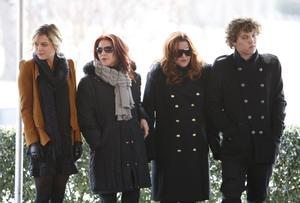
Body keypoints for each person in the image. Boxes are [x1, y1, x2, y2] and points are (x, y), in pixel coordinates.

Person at [206, 17, 287, 203]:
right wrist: (229, 131)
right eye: (245, 37)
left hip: (264, 144)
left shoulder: (271, 64)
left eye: (253, 35)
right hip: (235, 146)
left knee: (258, 197)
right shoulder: (222, 66)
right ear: (233, 41)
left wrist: (275, 137)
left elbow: (279, 102)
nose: (251, 40)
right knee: (231, 197)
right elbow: (213, 106)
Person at [142, 31, 220, 203]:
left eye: (187, 52)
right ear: (170, 54)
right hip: (167, 148)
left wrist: (216, 145)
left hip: (195, 145)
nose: (184, 56)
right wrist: (149, 150)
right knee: (167, 197)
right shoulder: (158, 73)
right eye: (179, 53)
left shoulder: (204, 72)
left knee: (191, 198)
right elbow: (147, 111)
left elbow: (211, 112)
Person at [76, 33, 151, 203]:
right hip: (106, 150)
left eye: (108, 49)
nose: (103, 53)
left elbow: (136, 105)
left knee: (132, 197)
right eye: (99, 49)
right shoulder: (88, 83)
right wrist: (98, 142)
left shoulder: (133, 78)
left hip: (131, 147)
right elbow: (85, 119)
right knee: (107, 198)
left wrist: (143, 118)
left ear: (119, 51)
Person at [18, 24, 82, 203]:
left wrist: (77, 138)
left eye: (44, 44)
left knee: (59, 196)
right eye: (36, 44)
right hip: (43, 142)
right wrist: (32, 142)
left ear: (55, 44)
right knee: (43, 196)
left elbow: (73, 105)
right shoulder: (28, 67)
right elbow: (26, 108)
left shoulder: (68, 66)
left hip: (64, 139)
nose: (39, 48)